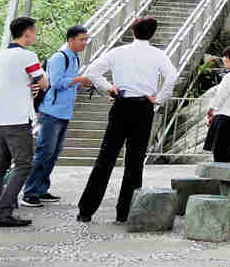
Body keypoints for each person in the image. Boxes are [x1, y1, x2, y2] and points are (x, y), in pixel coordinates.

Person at [76, 16, 178, 223]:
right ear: (153, 33)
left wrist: (109, 87)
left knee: (106, 158)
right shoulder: (158, 55)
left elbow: (92, 72)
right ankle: (125, 211)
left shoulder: (117, 52)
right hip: (143, 107)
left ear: (133, 31)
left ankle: (86, 210)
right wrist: (158, 99)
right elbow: (172, 77)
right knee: (135, 161)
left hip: (121, 104)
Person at [21, 25, 91, 207]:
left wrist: (80, 83)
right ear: (71, 40)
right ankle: (30, 192)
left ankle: (42, 189)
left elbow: (69, 83)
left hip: (64, 112)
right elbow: (56, 82)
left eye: (85, 39)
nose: (85, 43)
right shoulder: (59, 57)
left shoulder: (74, 58)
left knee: (53, 153)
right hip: (51, 112)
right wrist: (79, 79)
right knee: (44, 151)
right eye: (81, 39)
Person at [0, 17, 48, 227]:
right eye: (34, 31)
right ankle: (4, 212)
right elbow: (44, 82)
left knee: (0, 165)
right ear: (27, 33)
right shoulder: (27, 55)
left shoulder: (3, 54)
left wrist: (29, 87)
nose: (35, 34)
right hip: (17, 118)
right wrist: (36, 86)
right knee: (23, 164)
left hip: (0, 117)